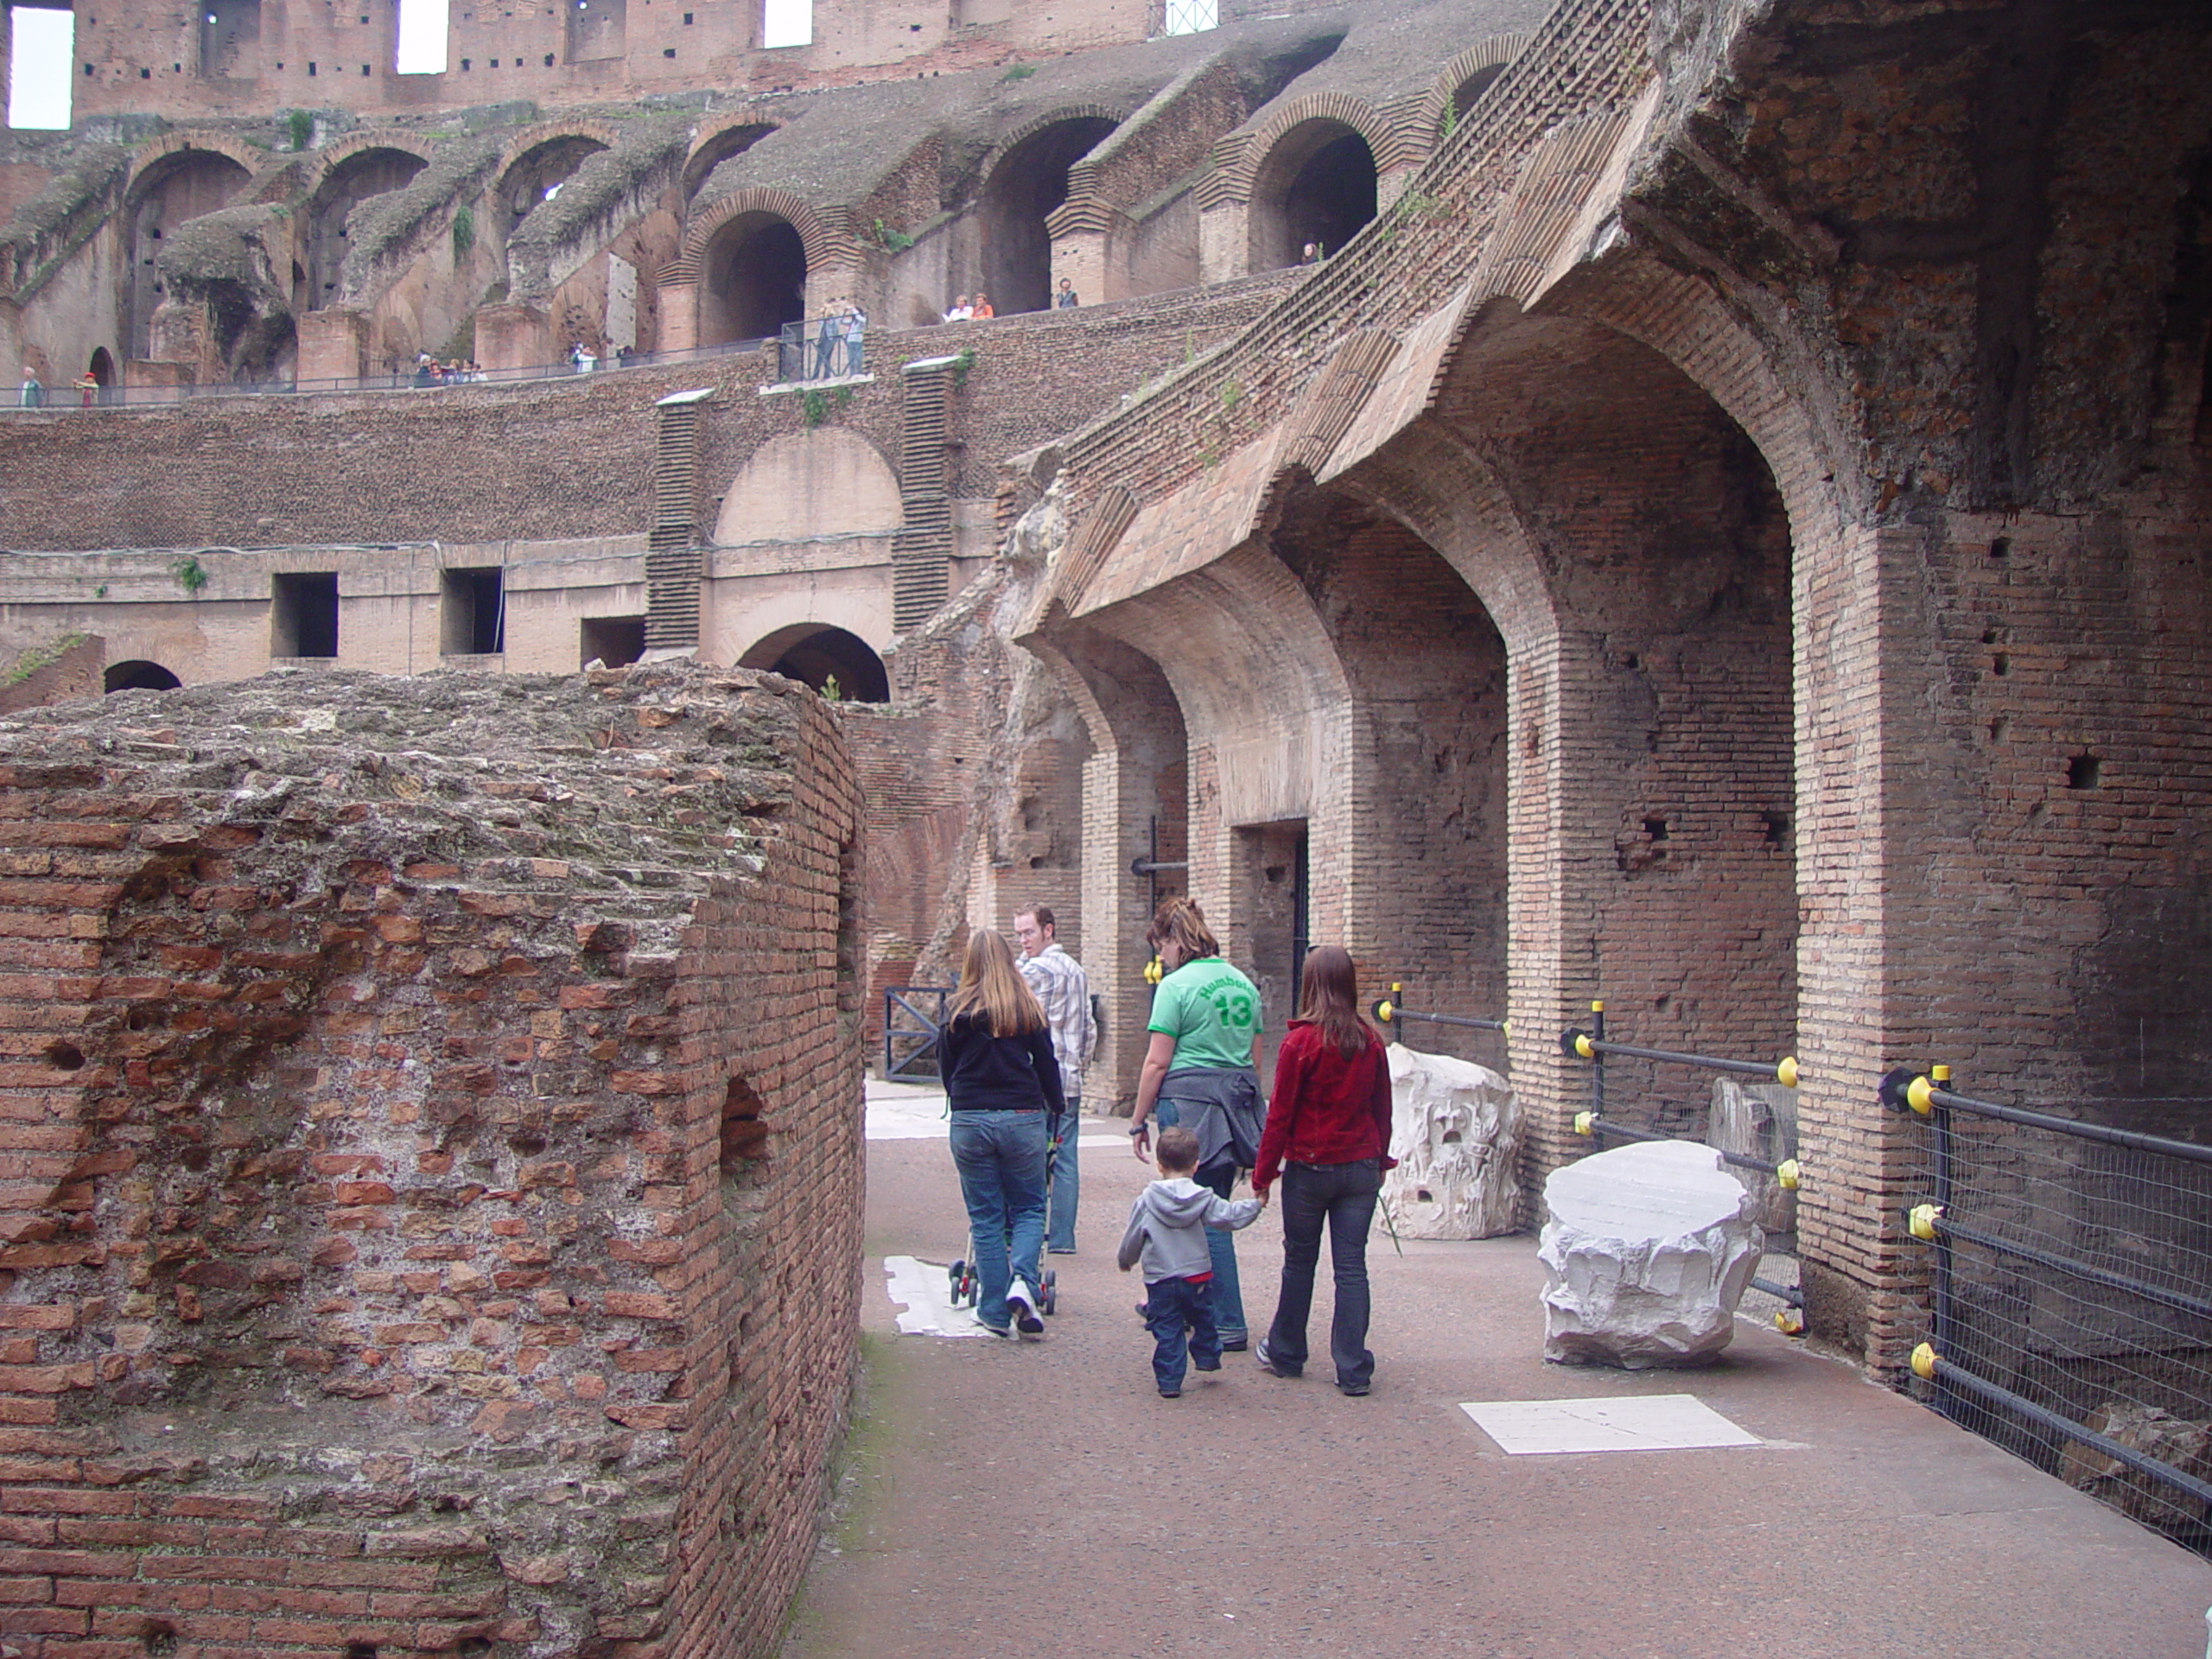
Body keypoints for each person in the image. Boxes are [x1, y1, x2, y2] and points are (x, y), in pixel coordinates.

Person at [1251, 945, 1395, 1396]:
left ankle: (1287, 1352)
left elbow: (1280, 1116)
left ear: (1311, 984)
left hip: (1310, 1168)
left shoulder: (1300, 1043)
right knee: (1352, 1267)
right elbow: (1383, 1109)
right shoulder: (1370, 1041)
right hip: (1359, 1167)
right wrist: (1382, 1159)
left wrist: (1263, 1175)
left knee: (1299, 1262)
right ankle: (1352, 1368)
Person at [1128, 896, 1263, 1351]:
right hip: (1234, 1104)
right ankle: (1186, 1304)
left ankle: (1226, 1321)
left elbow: (1156, 1063)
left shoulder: (1176, 986)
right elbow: (1255, 1060)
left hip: (1188, 1103)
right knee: (1212, 1203)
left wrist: (1137, 1118)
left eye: (1160, 947)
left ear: (1175, 939)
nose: (1160, 957)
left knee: (1197, 1214)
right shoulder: (1244, 984)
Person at [937, 927, 1065, 1338]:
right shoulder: (1026, 1007)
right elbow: (1047, 1064)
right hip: (1022, 1115)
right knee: (1028, 1209)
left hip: (971, 1118)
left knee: (986, 1217)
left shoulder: (956, 1011)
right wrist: (1057, 1108)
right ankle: (1023, 1284)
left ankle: (993, 1310)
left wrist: (962, 1099)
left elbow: (946, 1070)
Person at [1118, 1125, 1265, 1398]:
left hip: (1160, 1277)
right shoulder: (1203, 1198)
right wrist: (1255, 1205)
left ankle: (1170, 1380)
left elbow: (1133, 1235)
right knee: (1203, 1317)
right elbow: (1229, 1217)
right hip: (1196, 1274)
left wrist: (1126, 1259)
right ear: (1196, 1166)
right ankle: (1208, 1356)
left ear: (1159, 1165)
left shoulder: (1147, 1200)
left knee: (1168, 1328)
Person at [1014, 905, 1095, 1254]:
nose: (1023, 941)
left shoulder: (1034, 971)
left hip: (1038, 1081)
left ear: (1048, 930)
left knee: (1028, 1157)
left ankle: (1026, 1230)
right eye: (1018, 934)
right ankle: (1063, 1237)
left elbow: (1017, 1021)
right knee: (1065, 1158)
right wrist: (1080, 1065)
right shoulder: (1076, 971)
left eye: (1028, 933)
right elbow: (1089, 1028)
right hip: (1070, 1080)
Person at [813, 310, 841, 378]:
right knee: (819, 358)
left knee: (827, 357)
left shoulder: (833, 320)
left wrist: (833, 341)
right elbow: (818, 322)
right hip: (821, 340)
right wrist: (822, 314)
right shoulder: (822, 320)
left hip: (829, 340)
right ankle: (815, 375)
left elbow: (836, 330)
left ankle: (826, 375)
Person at [843, 304, 868, 376]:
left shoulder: (861, 321)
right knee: (851, 358)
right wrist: (844, 312)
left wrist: (854, 311)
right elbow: (842, 321)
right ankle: (852, 373)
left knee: (858, 358)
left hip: (858, 341)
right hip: (850, 341)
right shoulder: (852, 322)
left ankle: (859, 372)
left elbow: (862, 319)